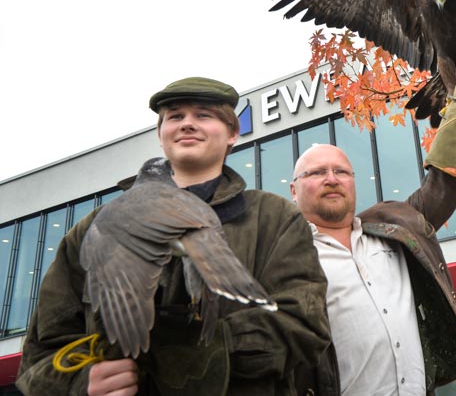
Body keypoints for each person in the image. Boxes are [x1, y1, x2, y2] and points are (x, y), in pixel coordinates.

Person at [16, 77, 331, 396]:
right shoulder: (91, 229)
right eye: (176, 116)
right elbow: (38, 359)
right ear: (161, 133)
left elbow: (305, 327)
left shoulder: (274, 219)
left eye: (204, 115)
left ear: (233, 133)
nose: (188, 124)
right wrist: (79, 384)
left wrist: (195, 352)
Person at [292, 63, 456, 395]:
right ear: (293, 190)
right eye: (316, 173)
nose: (331, 179)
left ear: (354, 182)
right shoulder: (284, 257)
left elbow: (440, 186)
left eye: (341, 171)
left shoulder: (394, 226)